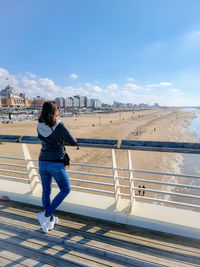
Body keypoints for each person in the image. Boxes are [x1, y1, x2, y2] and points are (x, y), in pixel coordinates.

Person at [37, 101, 77, 233]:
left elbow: (43, 138)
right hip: (55, 162)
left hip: (42, 161)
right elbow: (73, 141)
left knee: (46, 192)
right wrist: (61, 140)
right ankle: (47, 214)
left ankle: (49, 219)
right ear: (55, 112)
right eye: (57, 109)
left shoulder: (39, 125)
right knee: (66, 189)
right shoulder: (59, 125)